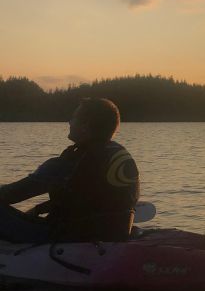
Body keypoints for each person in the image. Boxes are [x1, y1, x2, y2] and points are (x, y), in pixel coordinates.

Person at [0, 98, 140, 244]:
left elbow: (12, 194)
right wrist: (39, 209)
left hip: (66, 238)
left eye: (73, 118)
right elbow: (91, 200)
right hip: (113, 235)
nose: (69, 122)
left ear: (85, 125)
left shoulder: (69, 162)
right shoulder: (117, 155)